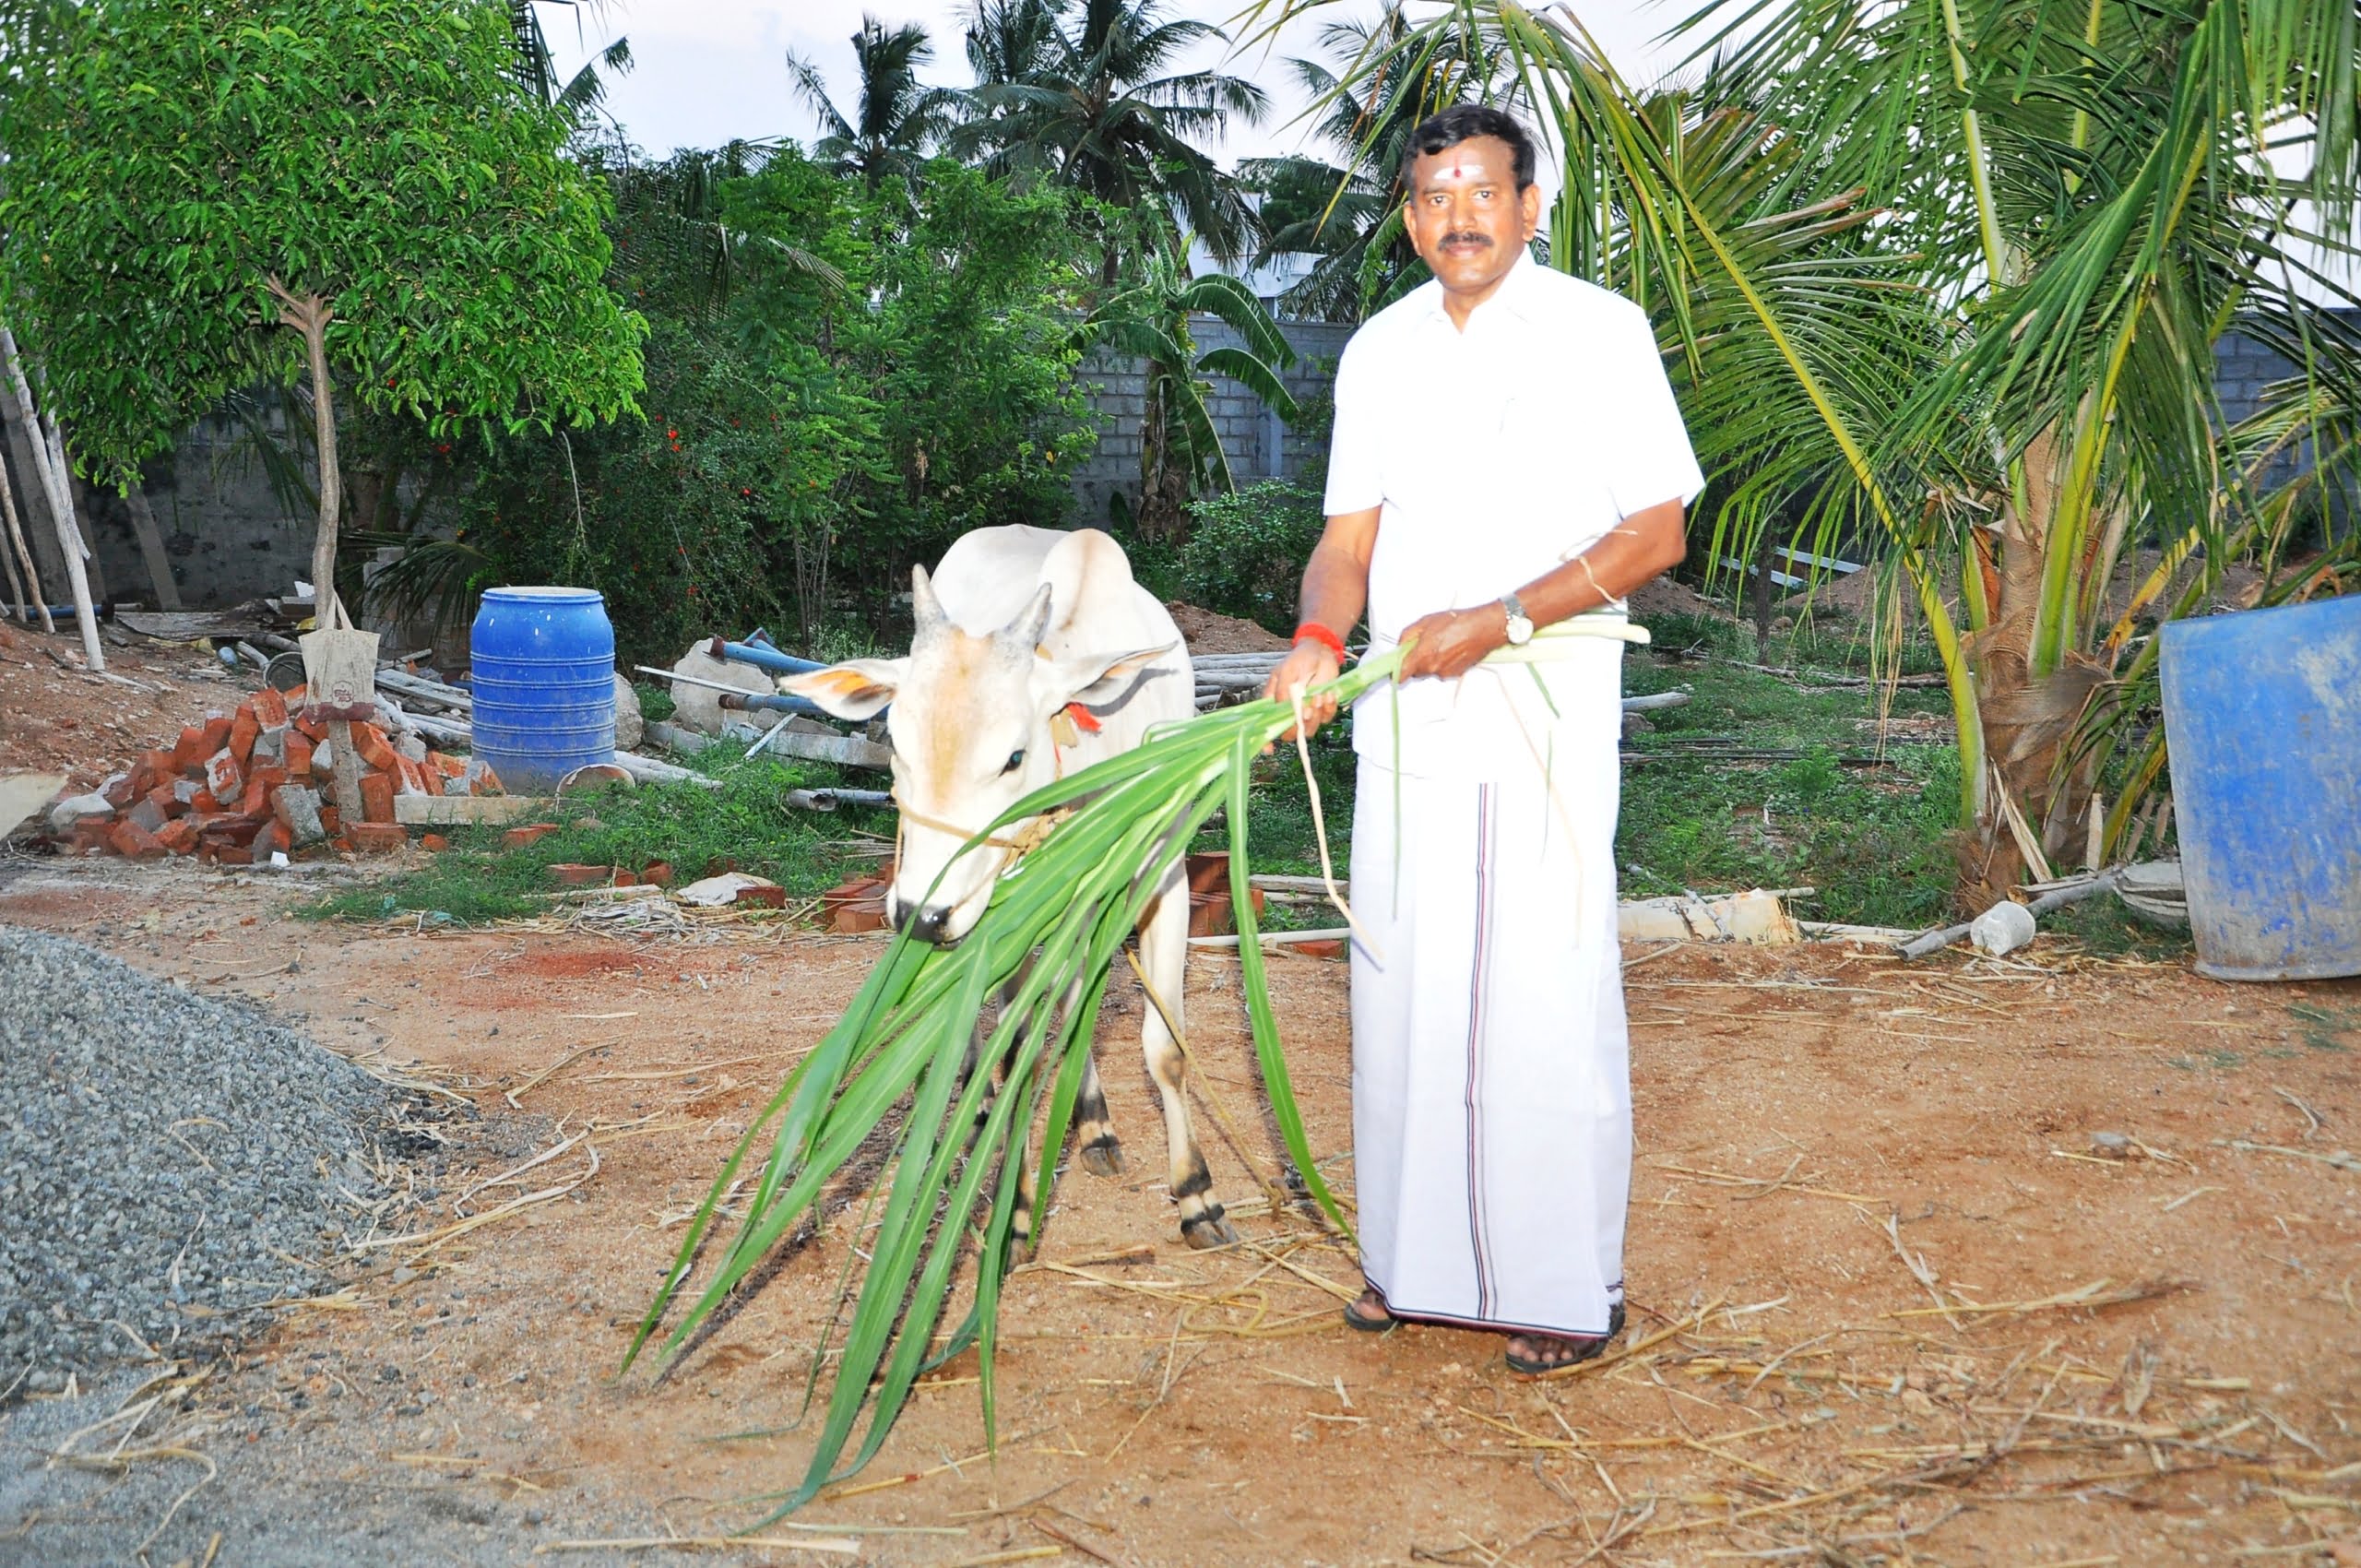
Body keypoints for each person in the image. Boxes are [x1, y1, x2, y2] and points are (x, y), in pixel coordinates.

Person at [1264, 103, 1702, 1373]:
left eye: (1480, 191)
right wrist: (1313, 638)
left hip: (1543, 699)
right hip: (1407, 702)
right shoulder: (1380, 353)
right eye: (1431, 196)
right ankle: (1414, 1268)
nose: (1457, 215)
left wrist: (1503, 616)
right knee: (1402, 980)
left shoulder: (1600, 334)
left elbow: (1655, 533)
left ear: (1528, 205)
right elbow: (1347, 545)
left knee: (1541, 989)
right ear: (1408, 218)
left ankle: (1571, 1290)